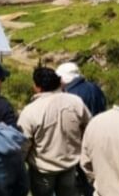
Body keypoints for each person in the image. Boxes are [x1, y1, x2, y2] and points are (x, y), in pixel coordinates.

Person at [18, 67, 91, 196]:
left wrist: (19, 166)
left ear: (37, 87)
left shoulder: (30, 111)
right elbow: (89, 128)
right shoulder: (75, 102)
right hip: (70, 166)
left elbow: (23, 143)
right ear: (59, 82)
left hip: (42, 171)